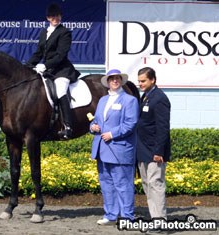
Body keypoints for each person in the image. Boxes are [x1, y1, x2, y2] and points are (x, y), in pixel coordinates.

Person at [89, 69, 139, 225]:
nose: (115, 81)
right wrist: (93, 127)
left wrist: (112, 134)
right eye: (112, 79)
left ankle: (127, 216)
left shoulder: (130, 100)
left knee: (123, 184)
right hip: (102, 148)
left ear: (121, 81)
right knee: (106, 184)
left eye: (117, 78)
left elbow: (131, 124)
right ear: (108, 82)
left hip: (120, 148)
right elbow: (96, 120)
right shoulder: (103, 100)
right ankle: (110, 214)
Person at [27, 2, 80, 139]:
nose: (55, 18)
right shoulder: (44, 32)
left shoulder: (65, 32)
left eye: (57, 16)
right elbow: (39, 53)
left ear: (60, 16)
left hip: (62, 70)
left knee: (60, 90)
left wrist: (45, 65)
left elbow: (61, 55)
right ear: (48, 18)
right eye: (52, 16)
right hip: (49, 70)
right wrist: (27, 65)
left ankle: (68, 126)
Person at [136, 67, 171, 224]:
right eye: (139, 81)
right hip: (143, 150)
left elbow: (163, 128)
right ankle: (154, 216)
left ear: (153, 80)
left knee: (155, 184)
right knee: (147, 185)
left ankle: (160, 221)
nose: (140, 84)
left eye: (143, 81)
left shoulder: (160, 98)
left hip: (154, 151)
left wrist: (159, 151)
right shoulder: (146, 96)